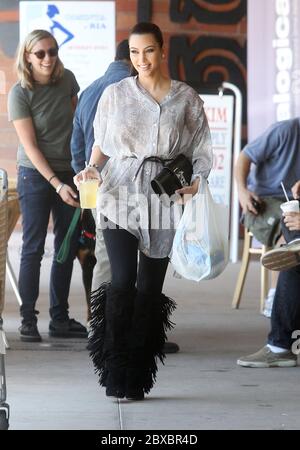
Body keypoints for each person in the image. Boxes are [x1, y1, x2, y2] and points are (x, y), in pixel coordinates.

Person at [74, 22, 212, 400]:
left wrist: (197, 181)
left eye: (148, 51)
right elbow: (102, 142)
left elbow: (201, 149)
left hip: (162, 195)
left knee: (149, 289)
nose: (141, 60)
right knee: (121, 281)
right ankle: (114, 369)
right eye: (135, 53)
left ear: (162, 51)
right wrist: (91, 168)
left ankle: (138, 374)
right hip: (118, 190)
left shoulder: (186, 98)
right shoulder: (115, 93)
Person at [71, 40, 180, 354]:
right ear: (131, 57)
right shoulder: (126, 92)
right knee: (119, 271)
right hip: (122, 191)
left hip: (100, 189)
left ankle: (113, 335)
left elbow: (76, 143)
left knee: (114, 268)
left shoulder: (91, 89)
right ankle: (112, 338)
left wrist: (86, 180)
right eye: (138, 53)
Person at [7, 29, 87, 342]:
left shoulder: (67, 79)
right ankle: (28, 320)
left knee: (66, 247)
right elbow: (30, 147)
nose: (47, 58)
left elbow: (77, 125)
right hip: (36, 175)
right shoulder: (19, 93)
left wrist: (81, 170)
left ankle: (60, 319)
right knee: (33, 247)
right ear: (27, 56)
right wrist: (56, 183)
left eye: (52, 51)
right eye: (40, 53)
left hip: (69, 172)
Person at [235, 118, 300, 317]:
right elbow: (244, 157)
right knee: (289, 229)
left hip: (294, 200)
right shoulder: (285, 130)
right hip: (262, 200)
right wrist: (242, 191)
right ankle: (275, 297)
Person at [237, 191, 300, 368]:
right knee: (291, 249)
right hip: (267, 197)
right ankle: (296, 244)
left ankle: (280, 348)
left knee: (294, 260)